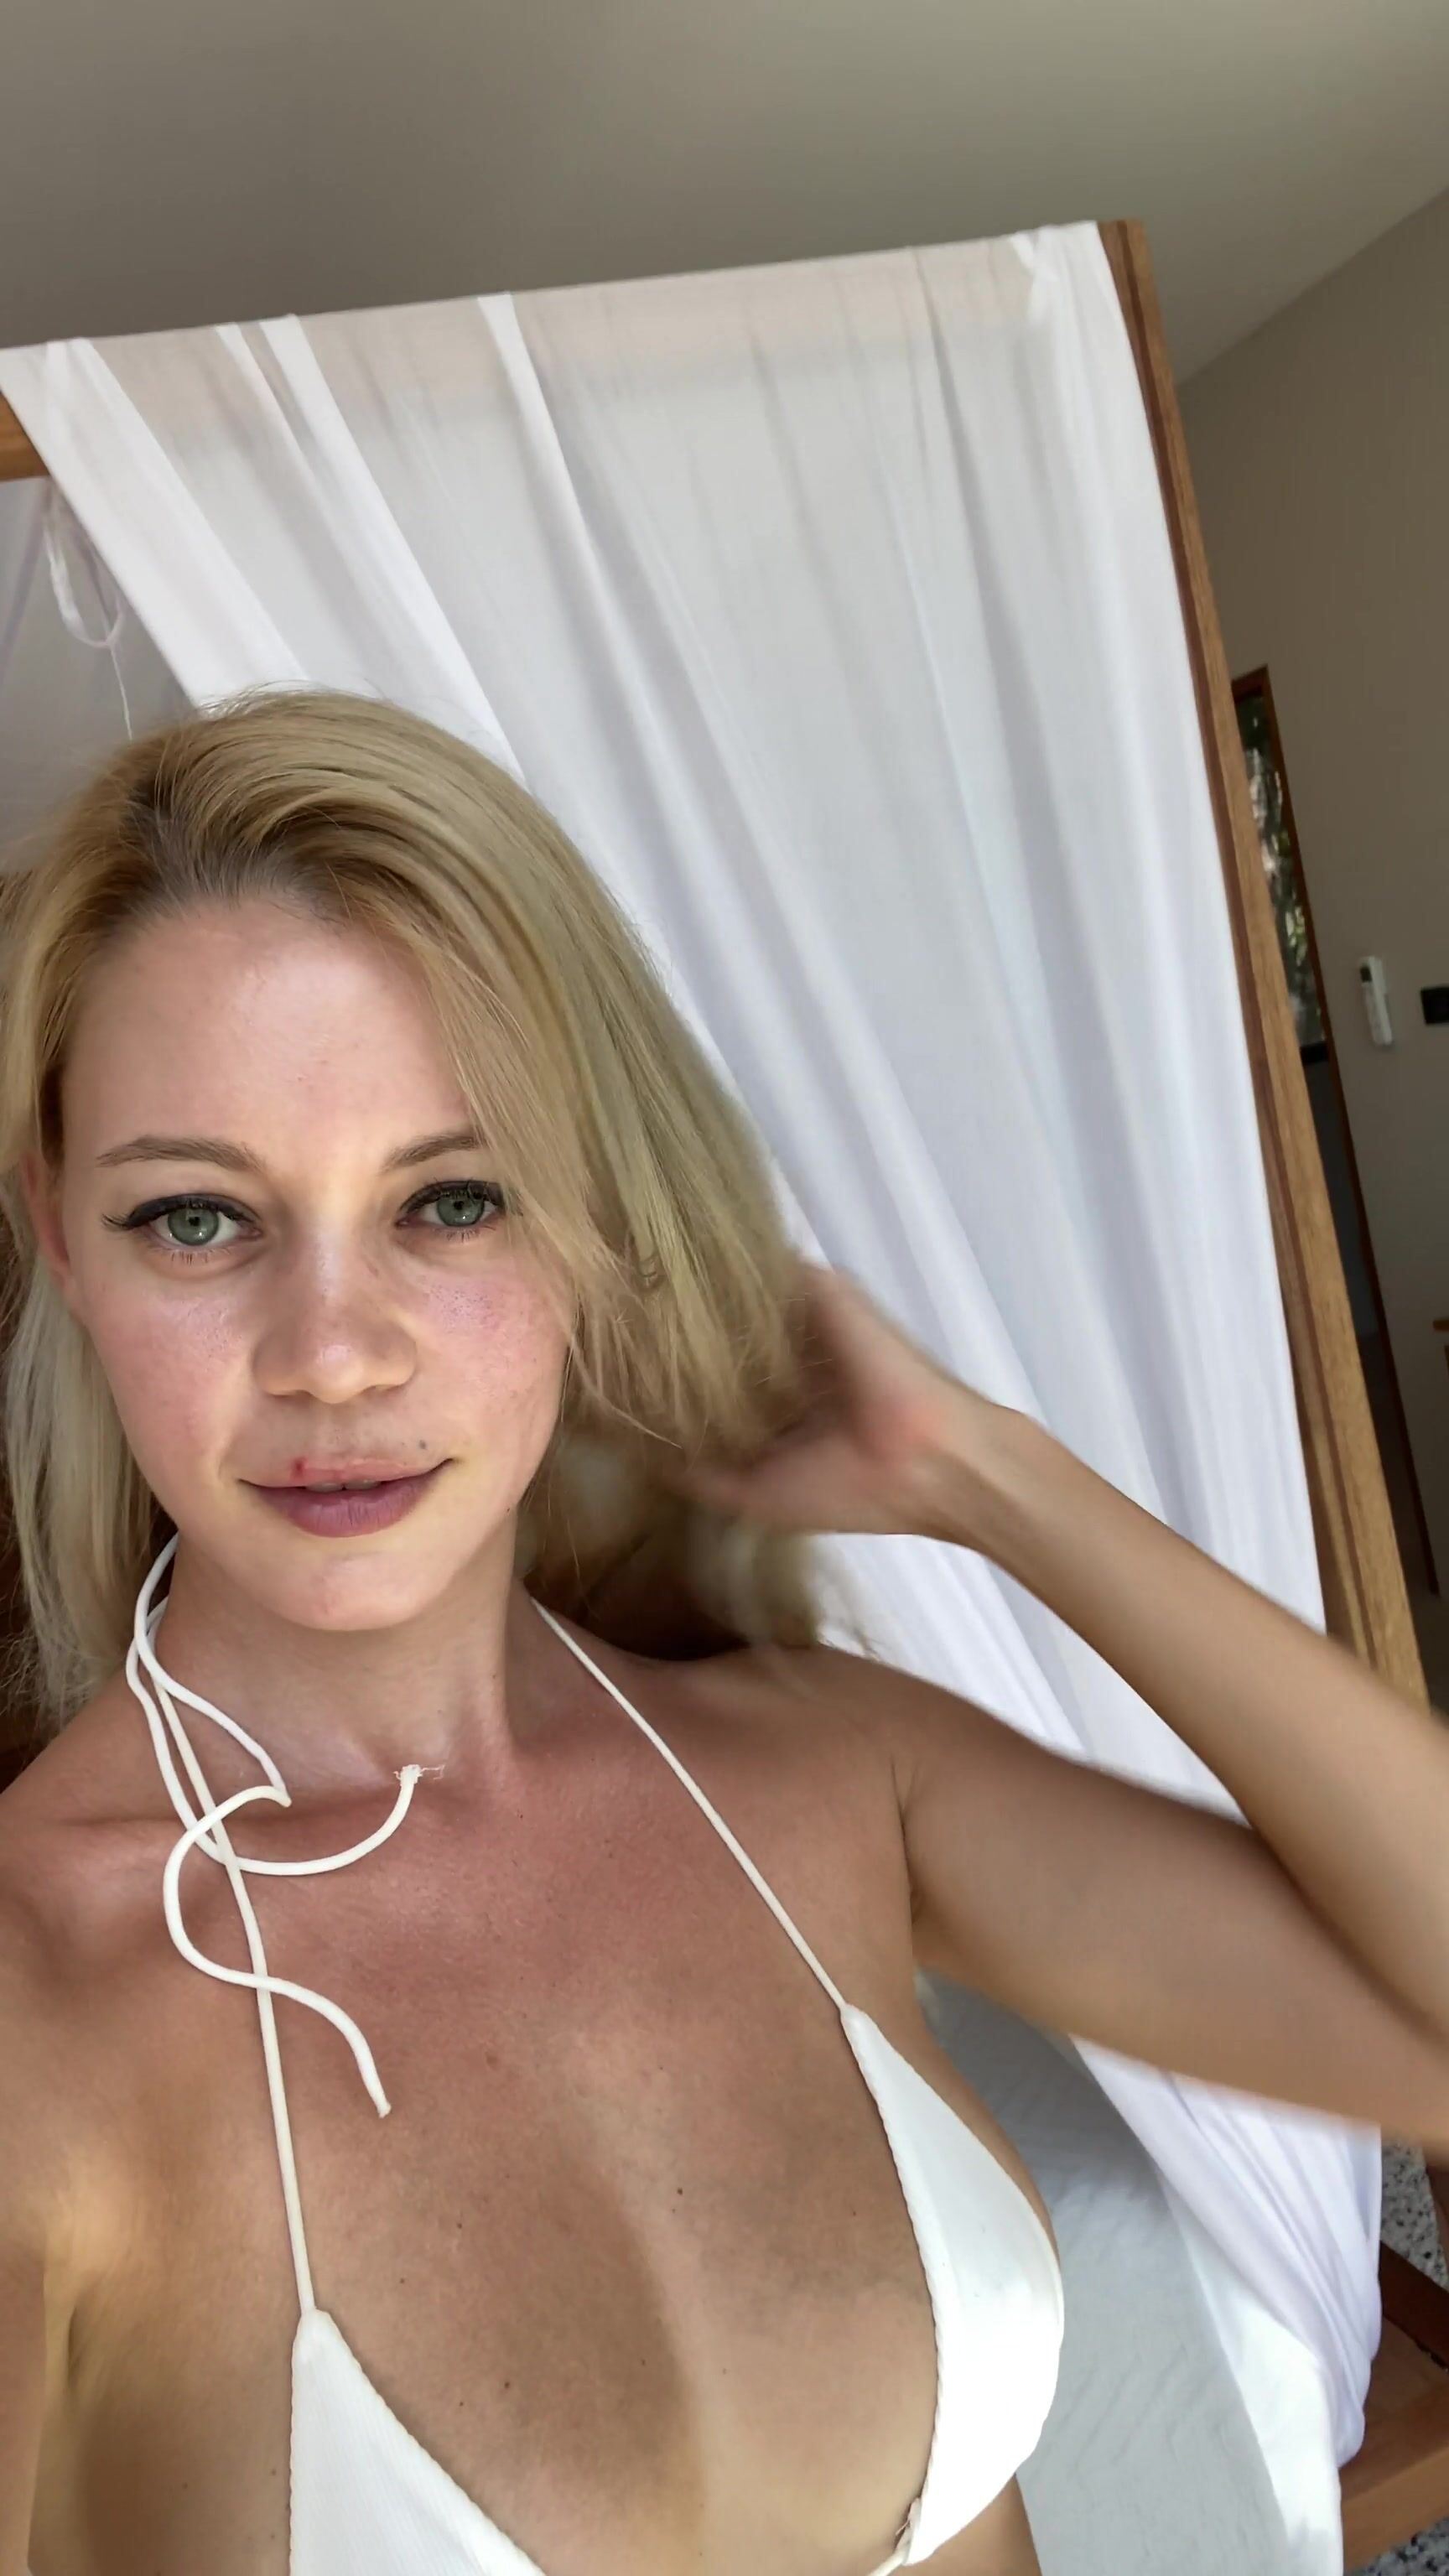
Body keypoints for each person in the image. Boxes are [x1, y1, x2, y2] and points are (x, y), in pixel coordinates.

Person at [1, 689, 1446, 2576]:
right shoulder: (39, 2014)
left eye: (453, 1199)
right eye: (197, 1220)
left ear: (592, 1224)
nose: (333, 1355)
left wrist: (985, 1475)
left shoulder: (820, 1770)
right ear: (59, 1233)